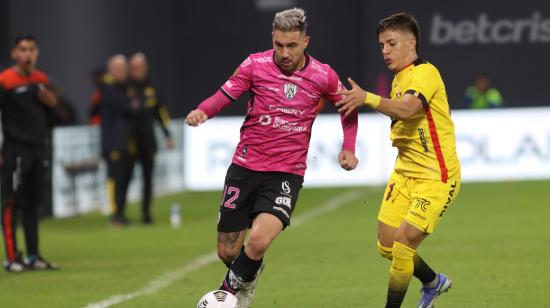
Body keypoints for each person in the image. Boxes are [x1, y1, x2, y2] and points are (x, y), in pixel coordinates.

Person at [185, 8, 359, 307]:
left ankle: (222, 296)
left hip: (285, 174)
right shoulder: (255, 65)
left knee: (259, 241)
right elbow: (223, 95)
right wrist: (203, 111)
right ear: (272, 39)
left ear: (306, 42)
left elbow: (349, 108)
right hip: (244, 167)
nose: (284, 52)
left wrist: (349, 147)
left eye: (292, 45)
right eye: (279, 45)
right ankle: (248, 275)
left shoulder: (323, 75)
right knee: (228, 251)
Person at [336, 13, 461, 308]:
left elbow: (407, 110)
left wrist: (367, 97)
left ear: (411, 42)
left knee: (403, 245)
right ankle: (433, 282)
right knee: (386, 246)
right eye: (381, 45)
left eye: (391, 43)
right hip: (404, 174)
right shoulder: (398, 79)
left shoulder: (425, 73)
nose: (385, 51)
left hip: (435, 177)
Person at [0, 35, 60, 272]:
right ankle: (12, 258)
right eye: (22, 50)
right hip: (15, 149)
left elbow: (56, 113)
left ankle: (34, 256)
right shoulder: (5, 80)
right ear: (14, 54)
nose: (27, 54)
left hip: (39, 148)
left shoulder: (41, 79)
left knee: (33, 204)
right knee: (11, 203)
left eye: (31, 49)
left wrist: (51, 102)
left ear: (37, 53)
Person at [127, 52, 175, 224]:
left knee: (148, 178)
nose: (136, 70)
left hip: (148, 139)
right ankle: (120, 214)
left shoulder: (152, 86)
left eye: (139, 66)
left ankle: (146, 213)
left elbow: (160, 112)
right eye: (134, 66)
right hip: (129, 140)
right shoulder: (125, 86)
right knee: (125, 176)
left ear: (145, 67)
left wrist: (167, 135)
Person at [99, 54, 136, 226]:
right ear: (111, 70)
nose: (123, 72)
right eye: (119, 68)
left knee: (124, 178)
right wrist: (131, 105)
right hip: (113, 142)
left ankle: (120, 213)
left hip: (124, 141)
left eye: (124, 68)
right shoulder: (108, 88)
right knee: (114, 178)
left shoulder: (123, 87)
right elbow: (126, 107)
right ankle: (115, 214)